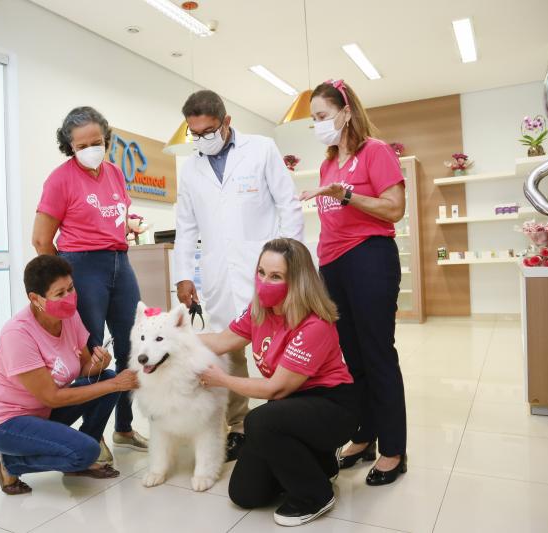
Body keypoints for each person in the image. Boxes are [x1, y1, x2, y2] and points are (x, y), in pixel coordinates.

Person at [174, 90, 304, 462]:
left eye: (209, 130)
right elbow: (185, 226)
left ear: (227, 122)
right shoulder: (191, 168)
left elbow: (288, 204)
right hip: (218, 272)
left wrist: (291, 262)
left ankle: (290, 417)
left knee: (280, 343)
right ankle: (239, 426)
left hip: (267, 270)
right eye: (194, 134)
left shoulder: (261, 149)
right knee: (229, 349)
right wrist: (184, 275)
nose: (202, 139)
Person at [198, 238, 357, 527]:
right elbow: (222, 341)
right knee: (244, 494)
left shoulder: (314, 324)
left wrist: (222, 380)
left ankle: (316, 495)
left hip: (332, 406)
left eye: (275, 276)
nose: (264, 282)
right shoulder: (259, 311)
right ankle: (320, 463)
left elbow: (275, 388)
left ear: (297, 281)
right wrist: (171, 341)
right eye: (261, 272)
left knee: (260, 421)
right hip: (290, 408)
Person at [300, 79, 407, 486]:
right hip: (334, 266)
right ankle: (364, 435)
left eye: (323, 116)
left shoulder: (374, 152)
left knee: (378, 353)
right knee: (351, 358)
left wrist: (346, 195)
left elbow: (394, 208)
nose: (318, 125)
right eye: (314, 119)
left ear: (346, 113)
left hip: (369, 259)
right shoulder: (328, 164)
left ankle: (394, 448)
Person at [32, 106, 148, 452]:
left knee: (133, 345)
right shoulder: (59, 179)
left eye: (96, 142)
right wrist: (64, 280)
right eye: (81, 145)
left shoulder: (114, 173)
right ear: (70, 146)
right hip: (82, 266)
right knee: (92, 351)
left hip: (119, 262)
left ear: (107, 140)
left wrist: (127, 228)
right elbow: (40, 239)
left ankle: (124, 428)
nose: (90, 149)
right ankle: (92, 433)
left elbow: (112, 216)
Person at [0, 255, 139, 494]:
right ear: (35, 299)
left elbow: (85, 369)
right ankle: (8, 462)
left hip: (42, 413)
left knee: (105, 377)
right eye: (59, 293)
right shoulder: (18, 335)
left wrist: (99, 363)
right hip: (7, 423)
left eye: (71, 288)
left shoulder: (69, 317)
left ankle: (77, 454)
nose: (70, 297)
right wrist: (115, 385)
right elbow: (52, 397)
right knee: (88, 446)